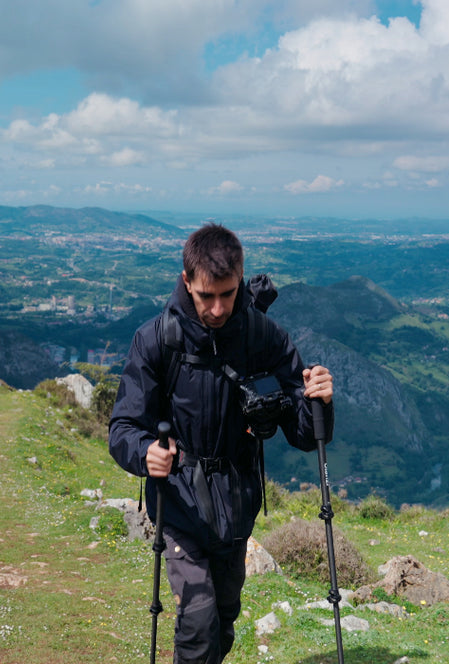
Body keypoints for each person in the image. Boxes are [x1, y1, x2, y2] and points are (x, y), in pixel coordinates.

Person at [109, 223, 334, 663]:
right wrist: (146, 453)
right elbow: (122, 428)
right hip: (177, 502)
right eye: (206, 296)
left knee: (223, 617)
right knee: (196, 618)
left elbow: (305, 435)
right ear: (187, 280)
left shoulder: (263, 337)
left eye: (228, 294)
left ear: (241, 281)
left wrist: (319, 400)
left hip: (235, 500)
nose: (217, 308)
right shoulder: (156, 340)